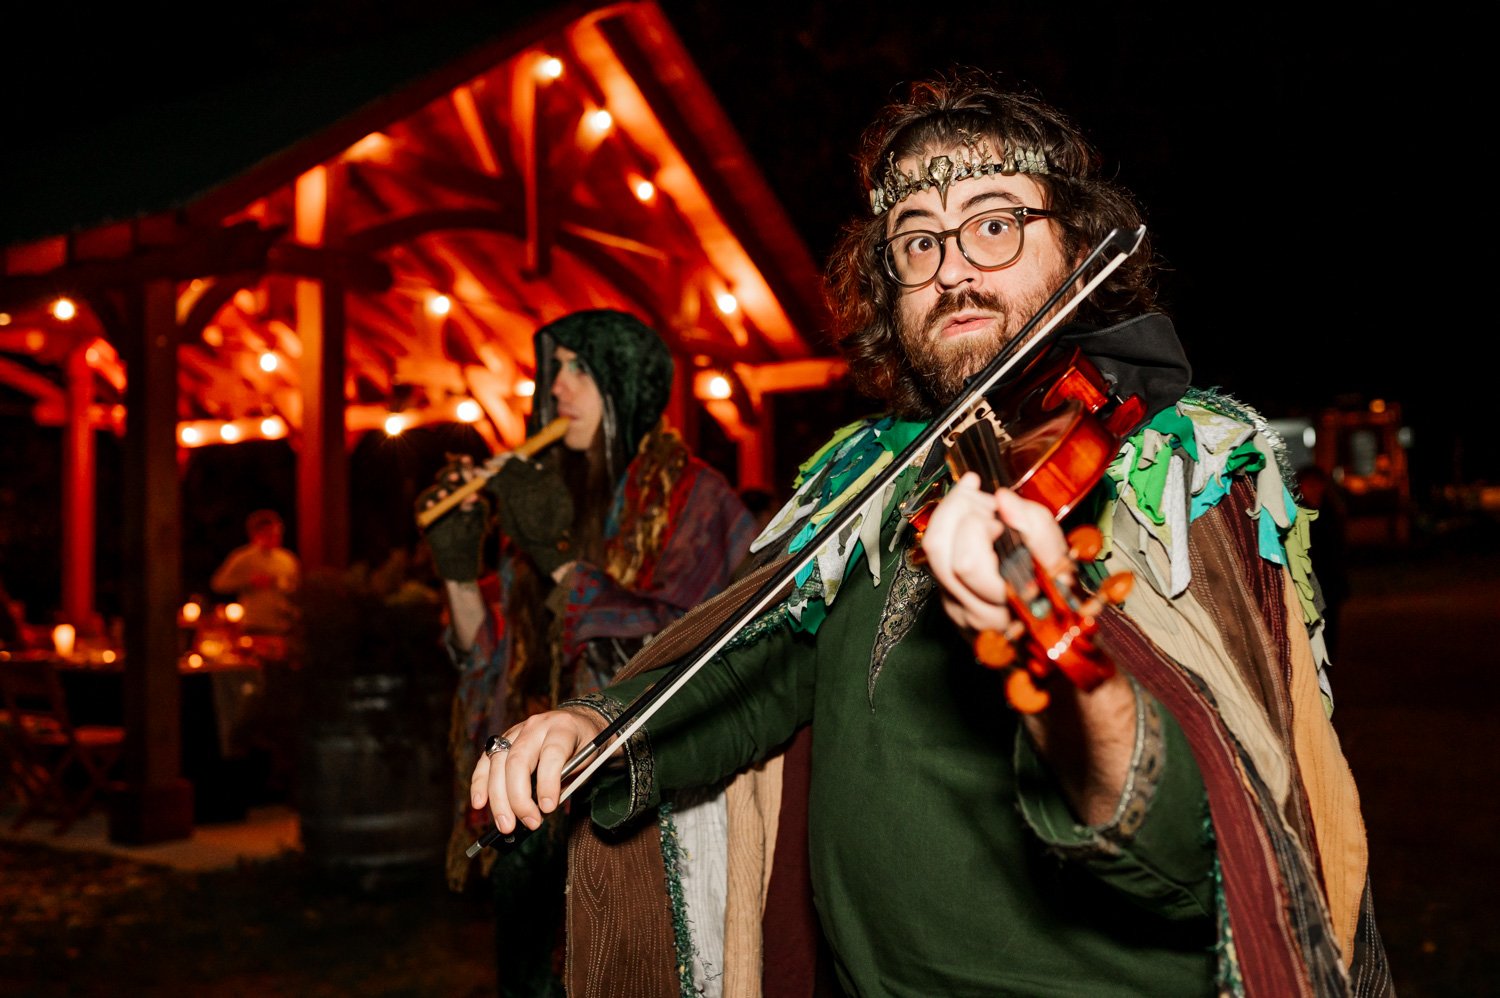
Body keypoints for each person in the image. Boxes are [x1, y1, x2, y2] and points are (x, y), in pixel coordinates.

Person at [471, 73, 1393, 997]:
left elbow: (1208, 845)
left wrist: (1072, 677)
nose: (953, 268)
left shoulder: (1180, 472)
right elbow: (755, 682)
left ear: (1079, 243)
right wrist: (592, 724)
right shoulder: (866, 481)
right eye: (917, 241)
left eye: (995, 225)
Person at [416, 309, 757, 998]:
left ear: (627, 382)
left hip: (642, 811)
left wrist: (564, 563)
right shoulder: (547, 496)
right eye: (555, 369)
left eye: (580, 368)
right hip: (535, 811)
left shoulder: (697, 500)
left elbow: (687, 651)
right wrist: (457, 568)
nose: (558, 387)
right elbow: (490, 651)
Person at [210, 509, 300, 639]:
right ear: (255, 534)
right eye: (268, 534)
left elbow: (297, 588)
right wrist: (248, 581)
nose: (274, 537)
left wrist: (277, 582)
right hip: (254, 624)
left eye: (277, 533)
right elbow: (218, 584)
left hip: (283, 625)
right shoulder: (243, 558)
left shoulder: (288, 559)